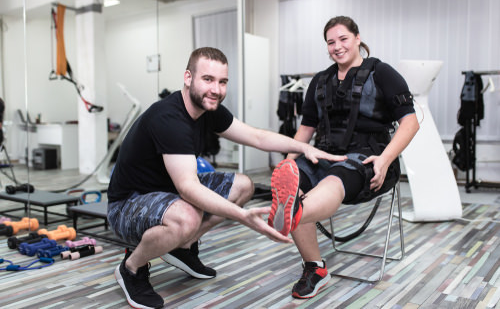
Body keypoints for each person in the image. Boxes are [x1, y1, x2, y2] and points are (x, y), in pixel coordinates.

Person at [107, 47, 345, 309]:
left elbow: (256, 136)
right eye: (207, 79)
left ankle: (182, 247)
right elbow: (187, 188)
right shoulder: (169, 117)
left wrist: (303, 146)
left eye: (222, 82)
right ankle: (131, 268)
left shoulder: (209, 110)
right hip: (128, 205)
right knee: (187, 215)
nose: (216, 89)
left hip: (167, 194)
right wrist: (242, 216)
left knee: (243, 186)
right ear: (188, 78)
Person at [267, 16, 419, 299]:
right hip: (324, 156)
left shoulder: (384, 74)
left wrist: (385, 160)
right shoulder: (319, 82)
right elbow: (305, 130)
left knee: (334, 178)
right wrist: (288, 162)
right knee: (296, 175)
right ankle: (315, 268)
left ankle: (291, 212)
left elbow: (410, 123)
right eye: (330, 42)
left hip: (371, 160)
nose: (337, 47)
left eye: (343, 39)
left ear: (358, 38)